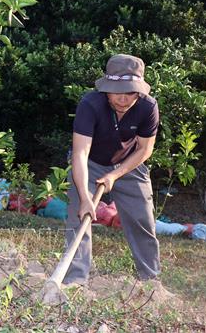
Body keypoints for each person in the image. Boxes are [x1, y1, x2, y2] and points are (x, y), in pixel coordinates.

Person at [64, 54, 160, 286]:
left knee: (142, 220)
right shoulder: (90, 105)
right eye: (117, 91)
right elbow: (80, 153)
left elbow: (144, 150)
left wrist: (116, 174)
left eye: (130, 92)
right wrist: (86, 198)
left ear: (139, 91)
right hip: (89, 163)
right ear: (106, 88)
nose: (123, 99)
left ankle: (150, 281)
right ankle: (76, 280)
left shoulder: (148, 107)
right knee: (80, 216)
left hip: (128, 166)